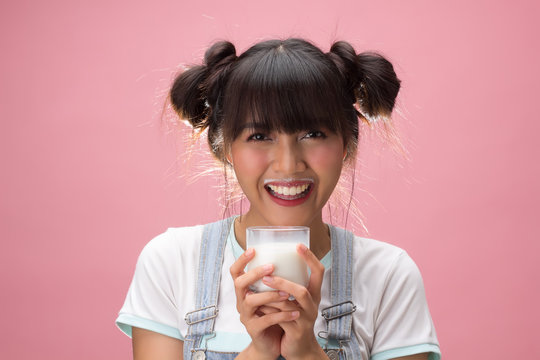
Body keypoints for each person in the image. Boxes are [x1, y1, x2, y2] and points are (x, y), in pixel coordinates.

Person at [116, 38, 441, 360]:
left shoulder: (389, 275)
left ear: (346, 145)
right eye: (259, 136)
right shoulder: (171, 262)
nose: (288, 165)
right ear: (226, 148)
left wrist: (307, 352)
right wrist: (260, 350)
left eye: (313, 134)